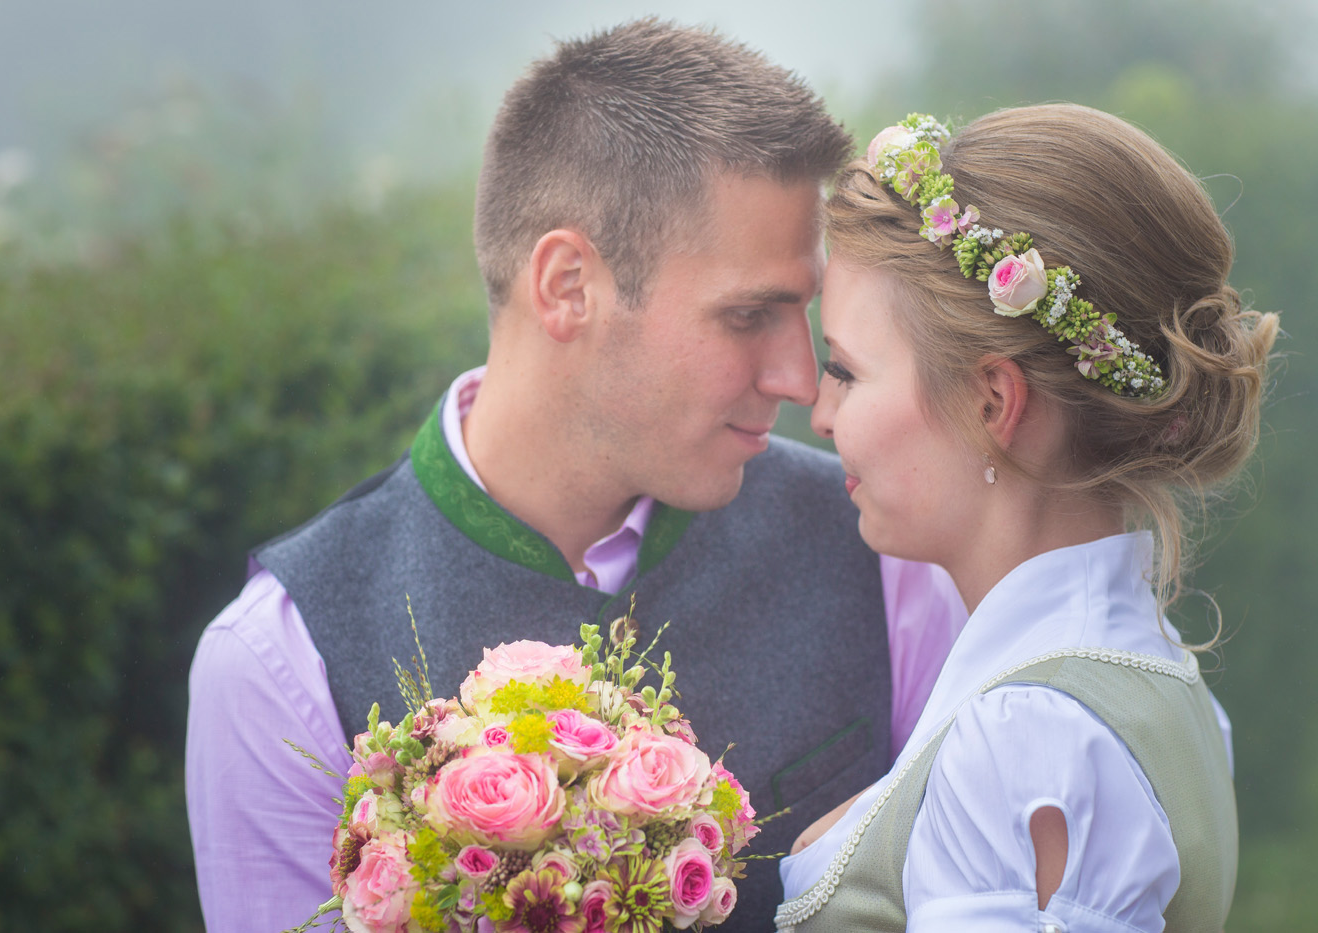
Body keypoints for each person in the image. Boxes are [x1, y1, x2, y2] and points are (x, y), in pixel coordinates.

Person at [185, 20, 967, 933]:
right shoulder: (279, 663)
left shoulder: (888, 555)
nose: (799, 378)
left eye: (804, 313)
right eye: (750, 314)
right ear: (566, 285)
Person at [776, 104, 1279, 932]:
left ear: (991, 401)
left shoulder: (1034, 735)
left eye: (846, 371)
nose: (819, 411)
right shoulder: (1146, 679)